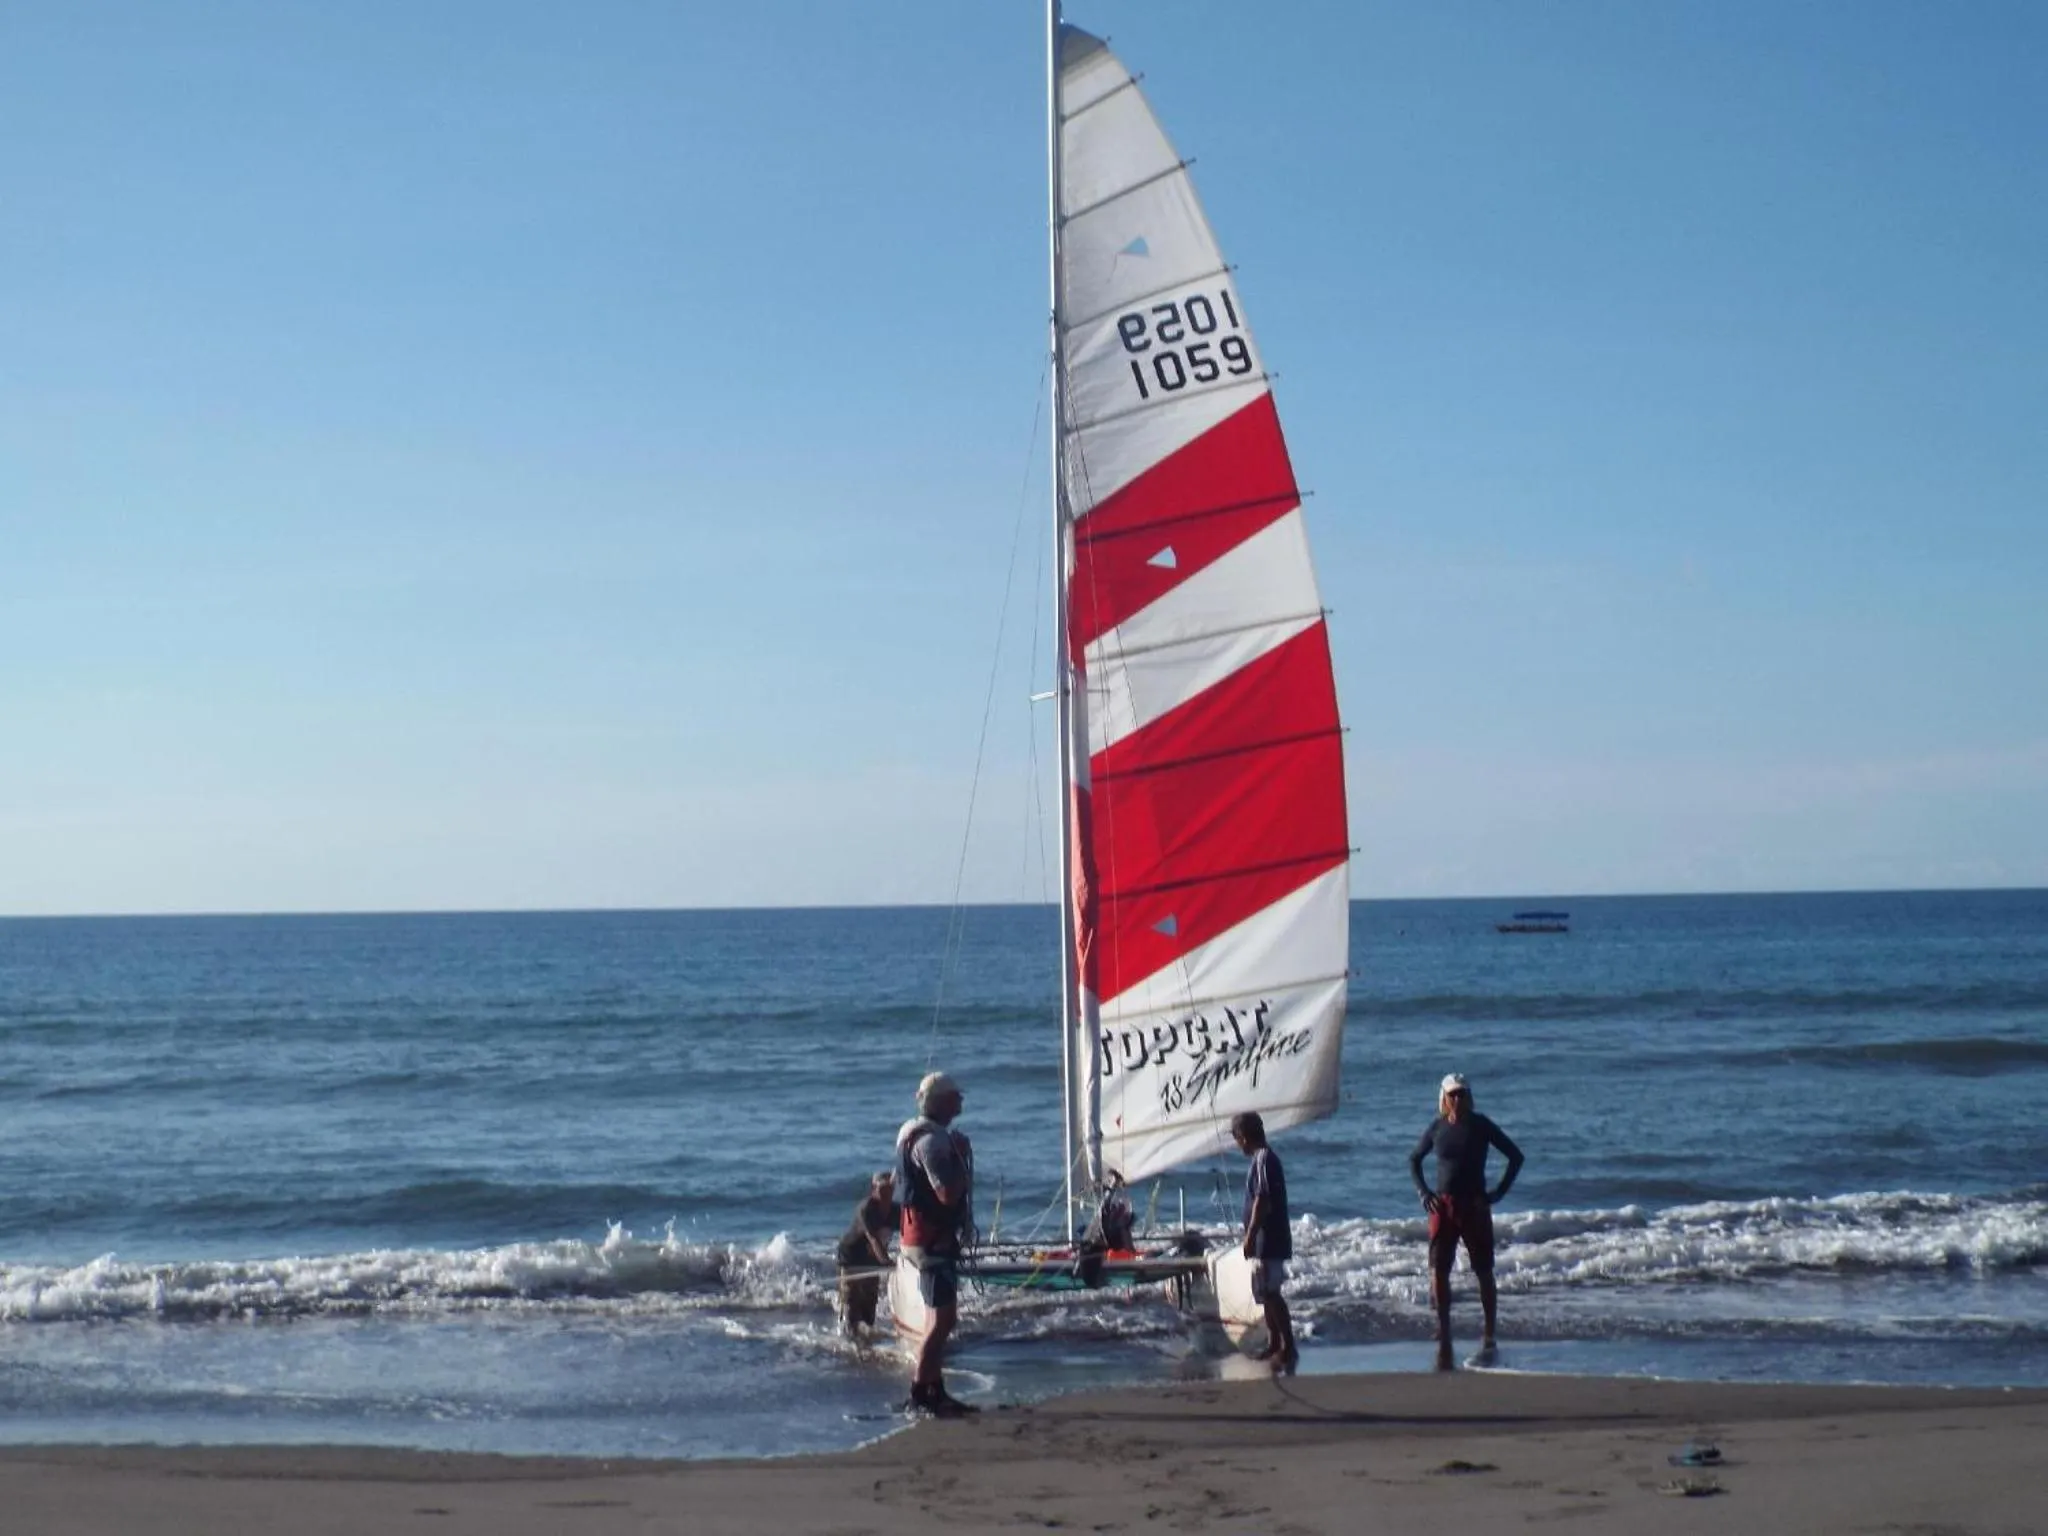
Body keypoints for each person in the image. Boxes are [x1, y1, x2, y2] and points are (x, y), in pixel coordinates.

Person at [1408, 1072, 1524, 1370]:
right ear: (1444, 1098)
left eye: (1463, 1094)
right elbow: (1414, 1160)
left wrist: (1497, 1193)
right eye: (1453, 1094)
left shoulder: (1481, 1125)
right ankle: (1444, 1331)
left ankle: (1489, 1333)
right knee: (1438, 1270)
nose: (1458, 1099)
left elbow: (1515, 1156)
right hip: (1443, 1206)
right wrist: (1424, 1194)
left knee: (1484, 1270)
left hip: (1474, 1205)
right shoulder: (1436, 1128)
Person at [895, 1070, 976, 1416]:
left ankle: (935, 1389)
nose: (962, 1101)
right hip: (932, 1242)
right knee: (943, 1322)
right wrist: (959, 1154)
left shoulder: (910, 1132)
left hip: (920, 1237)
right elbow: (948, 1193)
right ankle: (919, 1391)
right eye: (956, 1096)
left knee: (937, 1320)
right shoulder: (933, 1143)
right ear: (942, 1102)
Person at [1231, 1110, 1297, 1373]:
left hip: (1269, 1238)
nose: (1238, 1146)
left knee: (1272, 1292)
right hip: (1263, 1239)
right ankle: (1274, 1342)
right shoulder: (1261, 1159)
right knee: (1265, 1293)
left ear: (1244, 1137)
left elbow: (1263, 1199)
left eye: (1237, 1139)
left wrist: (1249, 1236)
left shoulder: (1264, 1159)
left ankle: (1288, 1346)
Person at [834, 1170, 898, 1338]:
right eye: (882, 1190)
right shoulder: (866, 1209)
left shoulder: (895, 1210)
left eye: (890, 1190)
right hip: (851, 1260)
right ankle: (846, 1344)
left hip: (872, 1261)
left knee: (868, 1311)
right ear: (874, 1190)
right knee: (851, 1308)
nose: (887, 1195)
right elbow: (873, 1239)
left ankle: (866, 1345)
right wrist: (887, 1262)